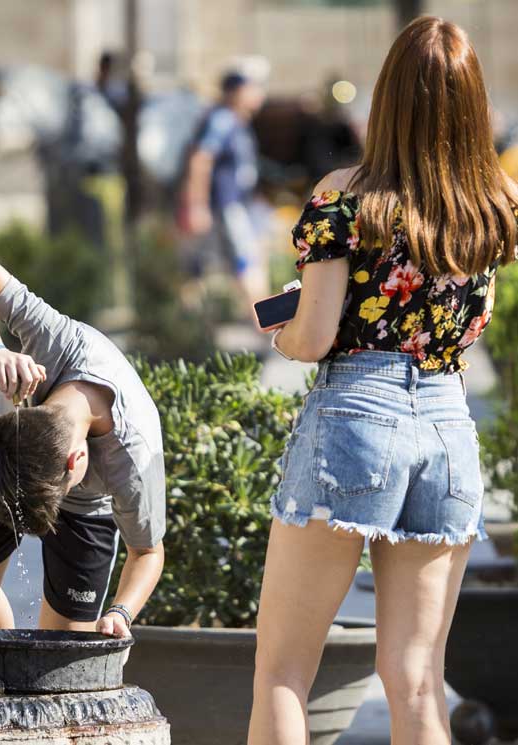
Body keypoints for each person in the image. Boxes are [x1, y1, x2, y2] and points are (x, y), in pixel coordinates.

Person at [248, 17, 518, 745]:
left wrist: (276, 324)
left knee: (281, 673)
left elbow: (311, 335)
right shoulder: (493, 209)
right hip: (446, 421)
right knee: (417, 680)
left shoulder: (346, 196)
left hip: (354, 417)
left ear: (388, 98)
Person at [0, 238, 165, 638]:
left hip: (86, 506)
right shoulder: (54, 342)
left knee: (64, 645)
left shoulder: (130, 461)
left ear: (75, 461)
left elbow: (147, 552)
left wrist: (121, 612)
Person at [178, 68, 266, 308]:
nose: (259, 94)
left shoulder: (237, 121)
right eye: (253, 88)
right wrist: (197, 204)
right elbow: (200, 159)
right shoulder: (222, 119)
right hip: (225, 206)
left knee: (217, 267)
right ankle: (267, 331)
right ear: (237, 91)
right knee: (246, 264)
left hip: (237, 204)